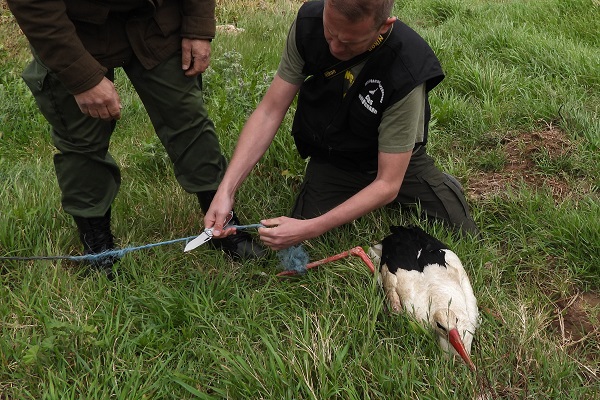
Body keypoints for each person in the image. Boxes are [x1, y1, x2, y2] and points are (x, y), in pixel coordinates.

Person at [7, 0, 265, 276]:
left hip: (154, 17)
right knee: (82, 141)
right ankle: (98, 249)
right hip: (73, 30)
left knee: (187, 119)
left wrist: (197, 26)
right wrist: (81, 77)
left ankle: (222, 225)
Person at [204, 0, 478, 251]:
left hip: (395, 164)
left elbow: (387, 183)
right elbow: (269, 111)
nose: (335, 47)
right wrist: (226, 190)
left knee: (461, 231)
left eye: (349, 43)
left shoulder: (408, 67)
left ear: (384, 27)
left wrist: (309, 229)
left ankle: (433, 185)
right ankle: (349, 192)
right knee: (296, 244)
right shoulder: (307, 25)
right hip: (338, 156)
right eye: (330, 33)